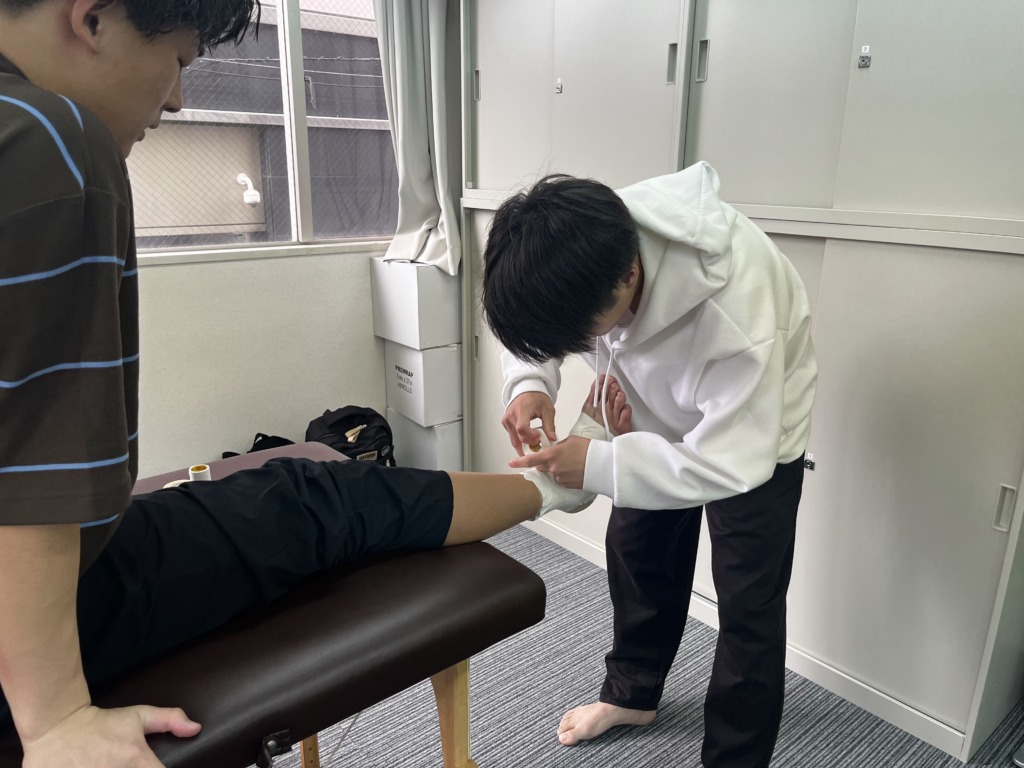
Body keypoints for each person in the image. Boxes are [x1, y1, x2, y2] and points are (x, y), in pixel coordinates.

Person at [0, 2, 600, 766]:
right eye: (178, 60)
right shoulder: (47, 139)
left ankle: (551, 486)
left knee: (304, 484)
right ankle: (554, 488)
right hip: (48, 616)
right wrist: (54, 720)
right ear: (90, 17)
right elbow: (31, 472)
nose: (177, 99)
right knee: (316, 497)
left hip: (77, 565)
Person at [482, 164, 818, 767]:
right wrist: (529, 383)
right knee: (638, 553)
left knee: (749, 605)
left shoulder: (737, 312)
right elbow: (541, 316)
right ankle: (633, 695)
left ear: (629, 278)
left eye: (575, 338)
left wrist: (597, 466)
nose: (573, 348)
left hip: (753, 440)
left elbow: (728, 464)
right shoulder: (587, 240)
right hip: (653, 413)